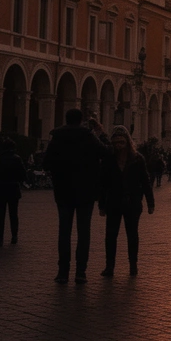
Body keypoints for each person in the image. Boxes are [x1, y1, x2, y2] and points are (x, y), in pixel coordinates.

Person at [44, 109, 108, 283]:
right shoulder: (88, 135)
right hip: (86, 191)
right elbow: (106, 153)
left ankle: (63, 272)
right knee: (83, 232)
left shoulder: (57, 136)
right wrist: (100, 133)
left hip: (63, 190)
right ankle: (81, 272)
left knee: (64, 231)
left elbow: (46, 162)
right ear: (81, 120)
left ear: (66, 119)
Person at [98, 126, 155, 277]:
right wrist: (101, 204)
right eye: (115, 142)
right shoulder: (108, 159)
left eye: (121, 142)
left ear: (128, 142)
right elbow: (103, 183)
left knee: (132, 234)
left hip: (132, 202)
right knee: (111, 235)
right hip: (113, 202)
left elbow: (146, 181)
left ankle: (133, 265)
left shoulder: (137, 159)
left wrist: (150, 202)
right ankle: (109, 266)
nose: (118, 146)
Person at [0, 138, 26, 247]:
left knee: (0, 215)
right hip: (13, 188)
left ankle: (0, 238)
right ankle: (14, 236)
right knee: (13, 214)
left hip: (0, 188)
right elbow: (23, 175)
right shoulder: (17, 159)